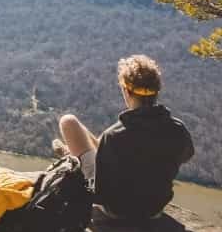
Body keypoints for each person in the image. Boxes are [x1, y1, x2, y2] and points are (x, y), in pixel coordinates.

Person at [58, 54, 194, 220]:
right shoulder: (177, 129)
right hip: (154, 209)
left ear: (126, 91)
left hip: (116, 209)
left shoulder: (114, 135)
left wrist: (75, 163)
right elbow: (186, 155)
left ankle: (72, 155)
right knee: (96, 140)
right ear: (156, 91)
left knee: (68, 121)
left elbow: (99, 191)